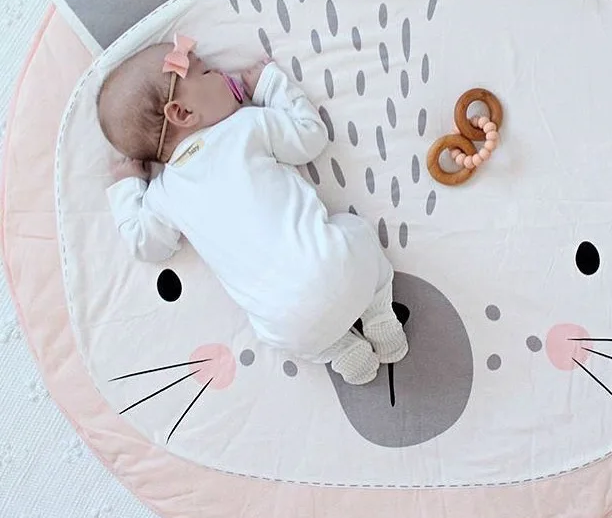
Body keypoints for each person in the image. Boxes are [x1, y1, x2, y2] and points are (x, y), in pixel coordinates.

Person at [97, 34, 408, 384]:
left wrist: (128, 186)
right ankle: (379, 312)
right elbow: (310, 136)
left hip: (288, 325)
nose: (221, 73)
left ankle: (340, 350)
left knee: (279, 329)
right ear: (183, 113)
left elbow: (145, 244)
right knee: (353, 230)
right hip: (339, 266)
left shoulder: (163, 195)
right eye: (206, 72)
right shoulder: (246, 127)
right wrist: (270, 85)